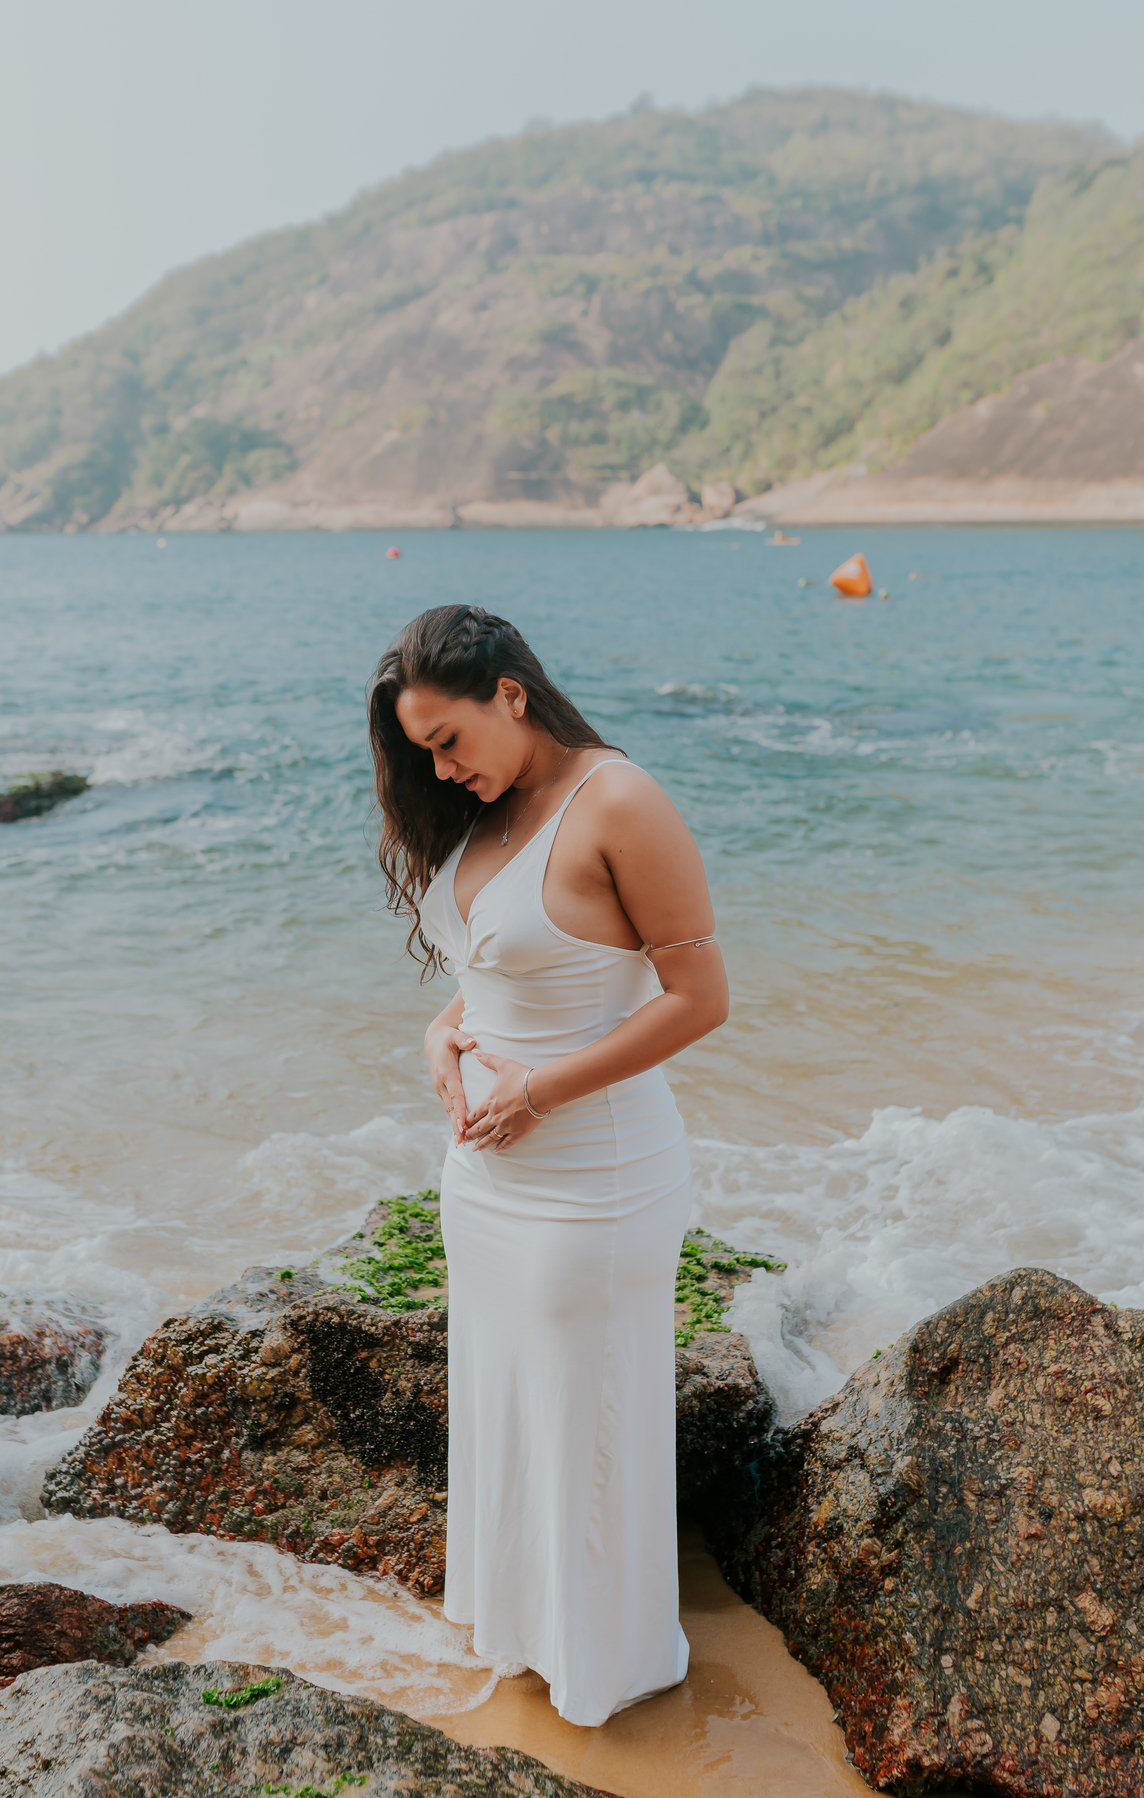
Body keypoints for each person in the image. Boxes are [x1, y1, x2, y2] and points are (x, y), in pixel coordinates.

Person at [368, 604, 729, 1727]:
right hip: (487, 1183)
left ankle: (607, 1671)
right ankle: (524, 1632)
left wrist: (539, 1089)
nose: (440, 765)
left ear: (510, 694)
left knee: (588, 1421)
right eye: (422, 749)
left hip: (595, 1184)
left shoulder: (616, 798)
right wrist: (444, 1034)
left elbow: (699, 1000)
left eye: (448, 739)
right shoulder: (490, 804)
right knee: (508, 1407)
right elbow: (502, 972)